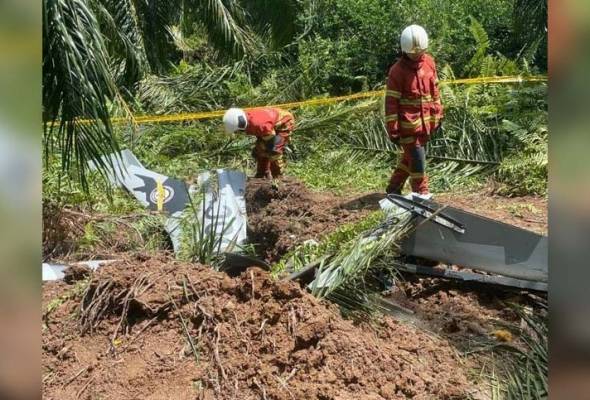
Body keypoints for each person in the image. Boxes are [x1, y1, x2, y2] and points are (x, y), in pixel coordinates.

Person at [384, 24, 443, 196]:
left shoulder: (429, 63)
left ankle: (393, 189)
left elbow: (435, 91)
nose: (416, 55)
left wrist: (438, 116)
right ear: (404, 50)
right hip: (407, 127)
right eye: (412, 52)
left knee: (409, 157)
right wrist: (393, 129)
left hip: (426, 126)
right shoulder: (397, 72)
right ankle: (421, 195)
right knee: (417, 161)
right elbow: (391, 104)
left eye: (419, 51)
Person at [223, 107, 294, 179]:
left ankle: (278, 177)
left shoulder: (259, 125)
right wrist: (261, 148)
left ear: (240, 126)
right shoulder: (248, 121)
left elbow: (271, 137)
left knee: (274, 152)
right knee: (260, 150)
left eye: (237, 131)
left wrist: (268, 149)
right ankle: (262, 174)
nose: (238, 133)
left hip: (284, 122)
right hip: (269, 126)